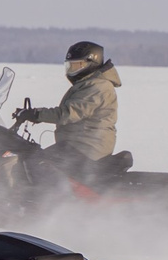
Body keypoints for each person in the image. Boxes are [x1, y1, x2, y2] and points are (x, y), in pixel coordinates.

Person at [13, 39, 120, 182]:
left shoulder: (98, 87)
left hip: (88, 147)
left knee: (38, 162)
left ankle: (50, 200)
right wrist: (34, 113)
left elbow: (68, 113)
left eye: (77, 65)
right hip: (79, 144)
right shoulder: (89, 83)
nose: (72, 70)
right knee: (36, 158)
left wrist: (36, 114)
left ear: (91, 63)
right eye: (70, 66)